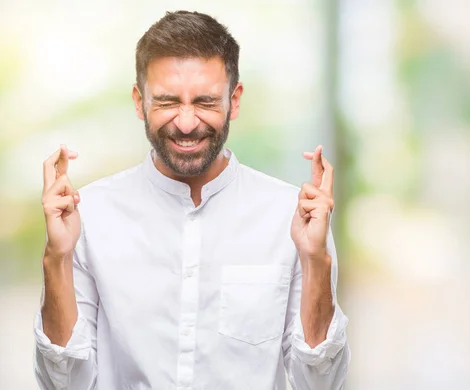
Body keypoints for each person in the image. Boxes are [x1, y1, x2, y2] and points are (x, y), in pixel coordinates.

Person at [33, 10, 350, 390]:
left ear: (234, 101)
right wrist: (57, 258)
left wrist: (315, 261)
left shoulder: (292, 218)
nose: (186, 122)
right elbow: (63, 385)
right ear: (139, 102)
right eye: (167, 101)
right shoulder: (91, 215)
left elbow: (320, 383)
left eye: (205, 101)